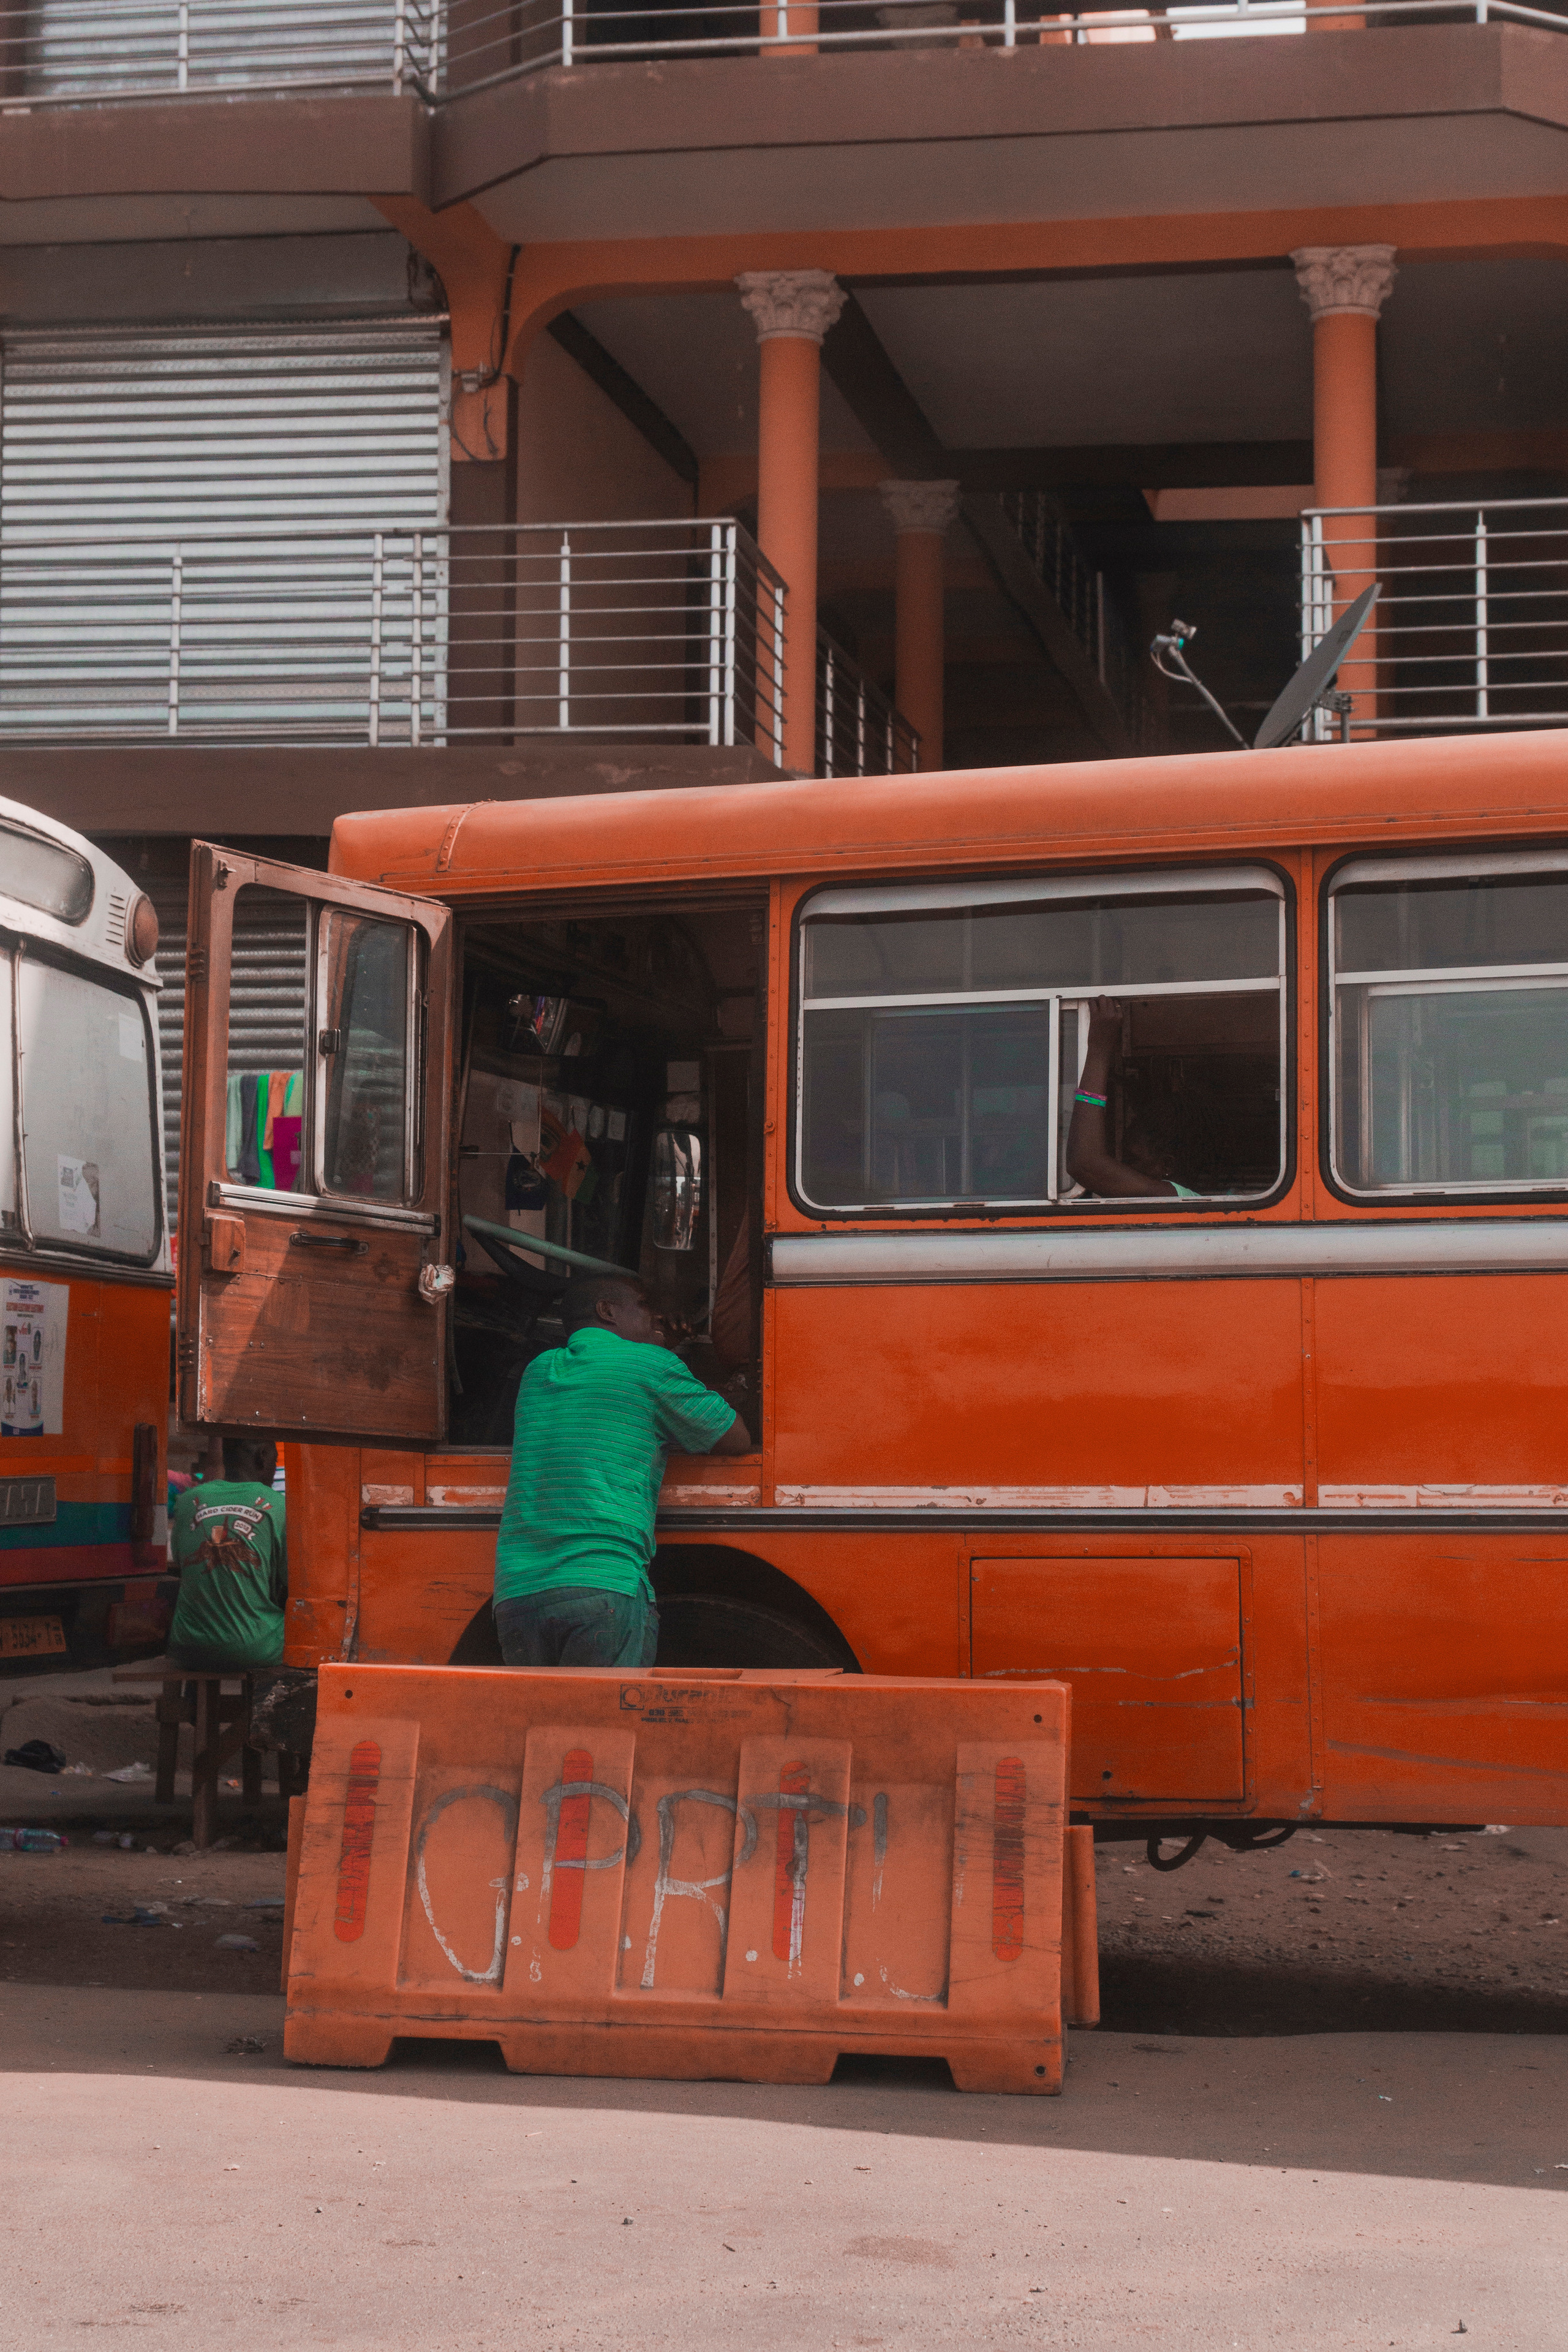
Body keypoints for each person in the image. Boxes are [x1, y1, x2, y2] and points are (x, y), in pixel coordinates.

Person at [493, 1271, 753, 1669]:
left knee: (540, 1712)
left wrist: (659, 1349)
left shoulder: (539, 1370)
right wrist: (672, 1359)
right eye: (645, 1306)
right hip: (603, 1584)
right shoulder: (652, 1366)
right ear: (608, 1311)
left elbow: (610, 1395)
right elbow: (735, 1439)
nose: (656, 1317)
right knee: (608, 1713)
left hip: (518, 1594)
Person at [167, 1437, 287, 1669]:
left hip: (188, 1648)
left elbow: (182, 1561)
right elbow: (293, 1580)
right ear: (262, 1456)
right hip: (256, 1649)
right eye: (275, 1460)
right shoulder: (277, 1504)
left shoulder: (189, 1501)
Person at [1065, 996, 1200, 1201]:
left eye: (1132, 1160)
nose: (1121, 1168)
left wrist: (1099, 1049)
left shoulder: (1177, 1198)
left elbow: (1085, 1163)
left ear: (1166, 1165)